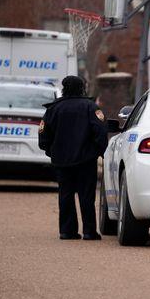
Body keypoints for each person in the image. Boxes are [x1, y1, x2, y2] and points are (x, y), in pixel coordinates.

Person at [39, 75, 108, 240]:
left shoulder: (53, 109)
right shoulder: (91, 108)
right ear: (82, 88)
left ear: (64, 88)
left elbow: (43, 134)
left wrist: (51, 152)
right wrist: (96, 151)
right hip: (86, 160)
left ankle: (67, 231)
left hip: (61, 161)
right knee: (86, 196)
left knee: (65, 195)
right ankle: (89, 231)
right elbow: (100, 132)